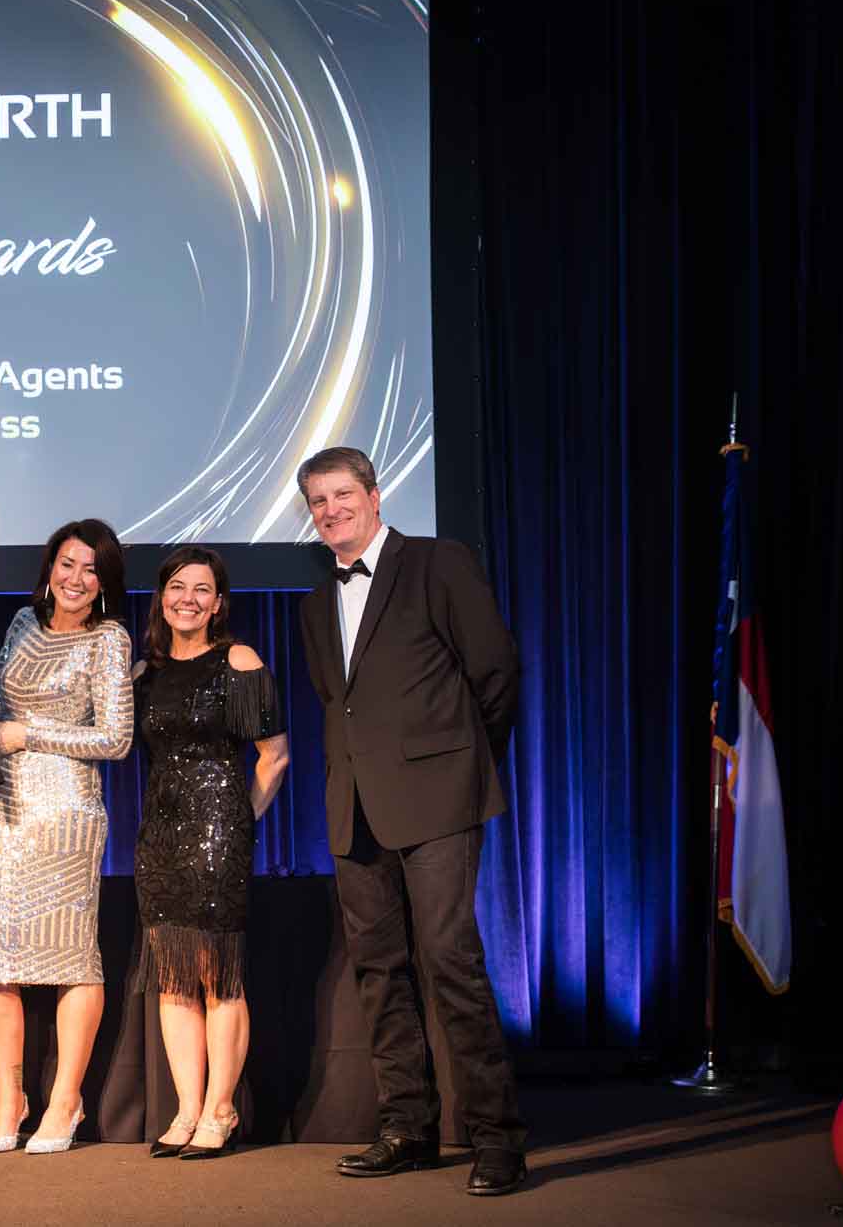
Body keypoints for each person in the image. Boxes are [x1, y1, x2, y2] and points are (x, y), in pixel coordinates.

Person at [294, 446, 527, 1196]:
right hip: (355, 807)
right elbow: (341, 702)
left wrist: (463, 767)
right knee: (379, 970)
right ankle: (408, 1126)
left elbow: (495, 671)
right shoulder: (311, 600)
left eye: (341, 494)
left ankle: (496, 1137)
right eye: (317, 501)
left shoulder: (438, 562)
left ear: (373, 492)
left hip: (441, 800)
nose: (331, 510)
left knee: (451, 960)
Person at [0, 519, 133, 1156]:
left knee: (71, 959)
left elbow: (115, 739)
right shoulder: (21, 625)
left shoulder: (109, 640)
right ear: (49, 568)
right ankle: (10, 1098)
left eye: (90, 570)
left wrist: (28, 733)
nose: (75, 579)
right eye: (67, 564)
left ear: (103, 583)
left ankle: (65, 1099)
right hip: (0, 808)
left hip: (66, 813)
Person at [131, 546, 290, 1161]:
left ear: (218, 603)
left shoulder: (239, 660)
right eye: (177, 587)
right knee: (173, 977)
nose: (188, 599)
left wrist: (239, 818)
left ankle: (221, 1110)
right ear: (162, 597)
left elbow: (274, 755)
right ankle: (187, 1109)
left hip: (218, 834)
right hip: (159, 839)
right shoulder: (144, 674)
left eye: (202, 589)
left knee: (216, 975)